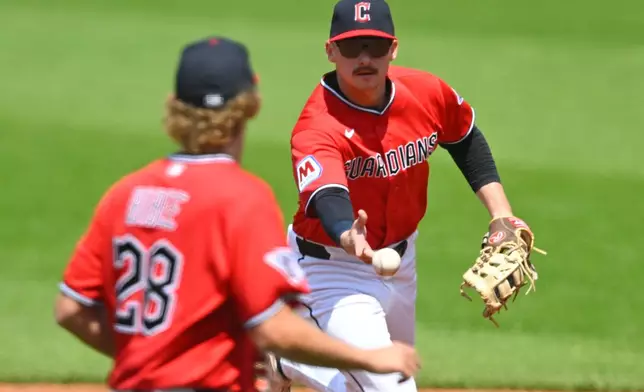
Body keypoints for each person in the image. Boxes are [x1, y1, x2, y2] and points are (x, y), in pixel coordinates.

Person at [53, 36, 421, 392]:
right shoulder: (242, 197)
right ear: (250, 104)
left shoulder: (126, 193)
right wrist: (369, 359)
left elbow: (70, 309)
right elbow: (272, 329)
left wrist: (151, 357)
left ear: (174, 104)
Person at [263, 0, 543, 391]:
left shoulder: (425, 91)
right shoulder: (318, 125)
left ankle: (290, 356)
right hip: (332, 268)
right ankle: (291, 357)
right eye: (351, 47)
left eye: (375, 47)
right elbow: (326, 196)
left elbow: (465, 139)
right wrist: (348, 232)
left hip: (401, 260)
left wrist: (502, 214)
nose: (364, 58)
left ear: (393, 48)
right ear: (330, 51)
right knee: (390, 385)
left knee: (391, 369)